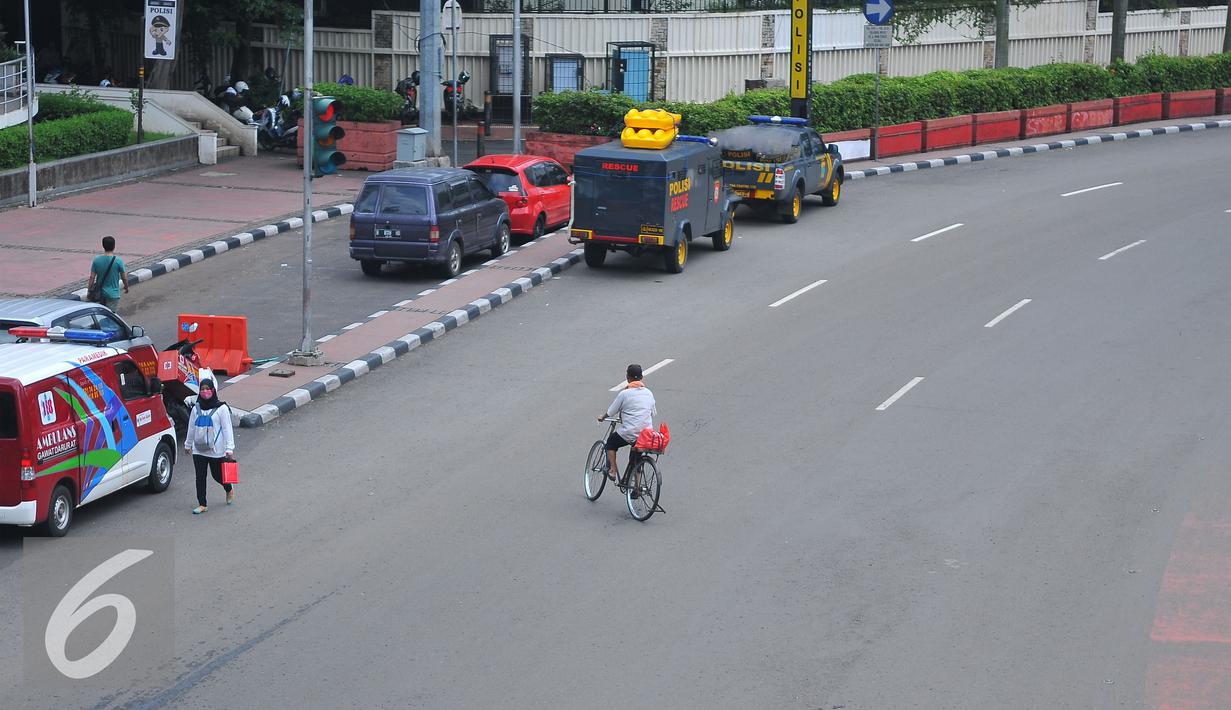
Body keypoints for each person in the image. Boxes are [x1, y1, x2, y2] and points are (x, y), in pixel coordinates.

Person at [597, 364, 656, 496]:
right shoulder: (649, 393)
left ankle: (612, 469)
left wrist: (602, 417)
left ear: (627, 378)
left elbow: (611, 412)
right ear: (641, 377)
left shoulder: (624, 394)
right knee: (636, 457)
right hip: (646, 434)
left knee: (611, 443)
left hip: (630, 432)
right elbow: (652, 413)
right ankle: (637, 488)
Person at [185, 379, 235, 514]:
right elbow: (191, 427)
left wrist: (229, 448)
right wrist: (188, 444)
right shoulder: (196, 408)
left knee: (217, 475)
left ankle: (228, 489)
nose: (205, 392)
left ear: (213, 390)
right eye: (202, 389)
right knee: (200, 477)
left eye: (207, 389)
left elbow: (227, 429)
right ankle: (202, 504)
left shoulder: (222, 409)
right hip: (198, 449)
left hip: (216, 450)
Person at [87, 236, 128, 311]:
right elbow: (124, 277)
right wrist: (126, 286)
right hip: (113, 294)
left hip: (100, 294)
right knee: (111, 316)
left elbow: (92, 277)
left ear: (103, 246)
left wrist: (89, 290)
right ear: (114, 246)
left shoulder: (97, 260)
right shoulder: (118, 261)